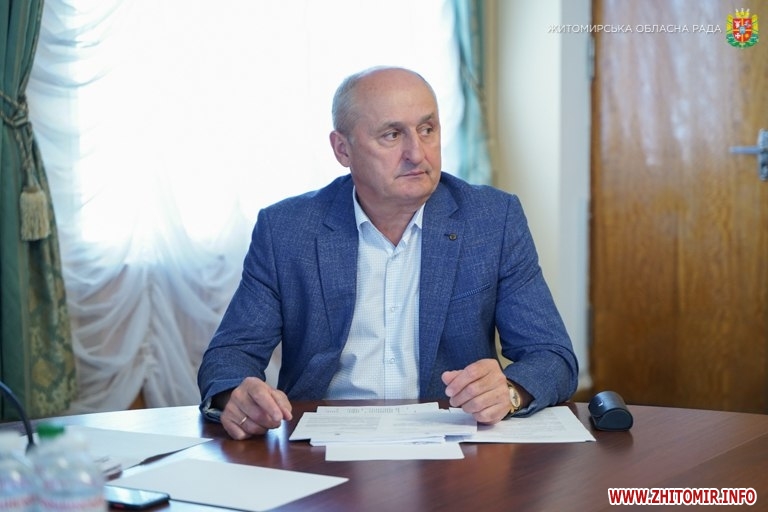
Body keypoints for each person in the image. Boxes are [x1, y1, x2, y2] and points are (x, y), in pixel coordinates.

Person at [197, 66, 578, 440]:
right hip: (322, 445)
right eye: (392, 135)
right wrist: (236, 394)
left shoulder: (492, 220)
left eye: (427, 129)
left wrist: (509, 391)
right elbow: (230, 355)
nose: (417, 153)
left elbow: (552, 356)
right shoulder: (286, 230)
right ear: (342, 149)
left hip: (452, 441)